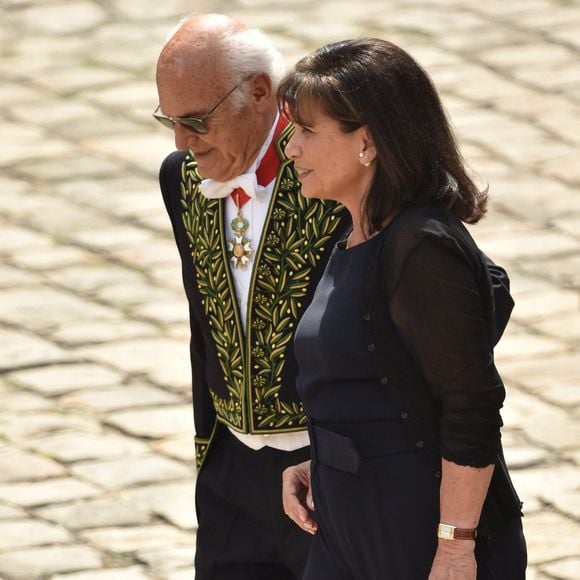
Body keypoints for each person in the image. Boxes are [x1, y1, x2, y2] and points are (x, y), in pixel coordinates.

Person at [279, 38, 527, 580]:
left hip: (419, 535)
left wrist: (456, 547)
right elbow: (368, 387)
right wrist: (320, 461)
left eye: (306, 132)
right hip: (348, 525)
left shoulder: (421, 248)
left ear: (366, 142)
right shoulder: (348, 237)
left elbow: (472, 407)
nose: (291, 148)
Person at [154, 14, 348, 580]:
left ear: (259, 92)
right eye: (168, 120)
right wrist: (208, 451)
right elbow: (203, 318)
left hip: (327, 474)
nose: (181, 141)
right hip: (231, 475)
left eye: (194, 121)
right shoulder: (181, 177)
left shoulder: (336, 167)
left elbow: (456, 300)